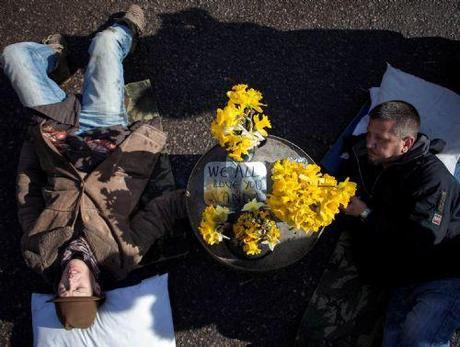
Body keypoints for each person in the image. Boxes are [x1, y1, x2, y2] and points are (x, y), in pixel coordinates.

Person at [2, 5, 187, 330]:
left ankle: (54, 58)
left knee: (13, 56)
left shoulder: (37, 253)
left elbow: (26, 194)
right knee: (105, 43)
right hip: (108, 130)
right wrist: (199, 201)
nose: (69, 281)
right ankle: (129, 30)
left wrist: (33, 142)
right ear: (97, 289)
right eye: (79, 290)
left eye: (63, 290)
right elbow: (159, 215)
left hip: (56, 129)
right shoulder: (120, 258)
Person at [296, 100, 460, 346]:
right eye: (369, 134)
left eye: (380, 139)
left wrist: (366, 214)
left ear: (406, 144)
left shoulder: (433, 180)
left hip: (444, 271)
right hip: (402, 277)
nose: (369, 143)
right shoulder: (369, 155)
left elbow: (424, 241)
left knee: (417, 339)